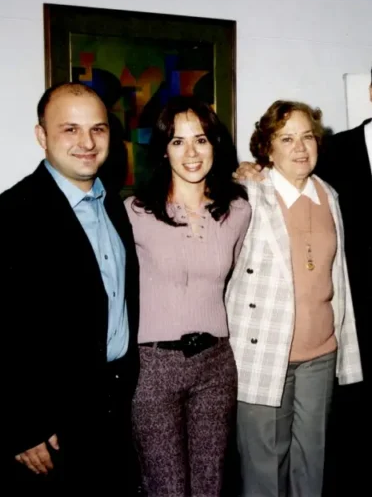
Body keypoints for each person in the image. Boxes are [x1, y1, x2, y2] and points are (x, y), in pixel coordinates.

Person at [235, 48, 372, 495]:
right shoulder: (338, 151)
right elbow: (280, 174)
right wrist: (246, 171)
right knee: (357, 443)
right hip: (367, 319)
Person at [0, 82, 140, 496]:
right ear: (42, 136)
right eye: (70, 129)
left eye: (98, 129)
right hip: (49, 425)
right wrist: (21, 430)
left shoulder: (114, 205)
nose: (87, 142)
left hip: (113, 407)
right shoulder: (7, 217)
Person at [226, 100, 362, 496]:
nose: (300, 147)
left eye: (307, 137)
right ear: (267, 148)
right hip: (264, 351)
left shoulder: (329, 195)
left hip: (321, 352)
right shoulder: (246, 193)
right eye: (287, 138)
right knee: (264, 465)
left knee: (313, 461)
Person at [125, 96, 250, 496]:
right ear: (163, 149)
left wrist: (255, 173)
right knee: (167, 488)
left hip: (215, 364)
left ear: (215, 144)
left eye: (201, 139)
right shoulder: (134, 212)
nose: (192, 153)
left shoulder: (239, 210)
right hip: (154, 368)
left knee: (211, 483)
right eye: (178, 142)